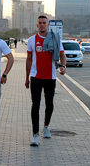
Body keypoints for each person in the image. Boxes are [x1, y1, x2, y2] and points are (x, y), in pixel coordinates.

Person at [25, 15, 67, 146]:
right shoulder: (32, 40)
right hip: (36, 77)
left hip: (50, 77)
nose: (42, 25)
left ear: (48, 25)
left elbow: (62, 55)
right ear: (37, 25)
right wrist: (26, 78)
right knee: (35, 105)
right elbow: (29, 59)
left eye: (44, 23)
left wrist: (63, 66)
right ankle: (35, 135)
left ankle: (46, 126)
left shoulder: (55, 39)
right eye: (40, 23)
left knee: (49, 104)